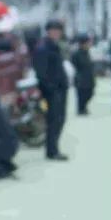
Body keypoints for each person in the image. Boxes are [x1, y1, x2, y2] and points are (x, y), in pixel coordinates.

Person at [33, 20, 69, 161]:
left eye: (59, 30)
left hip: (60, 89)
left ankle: (54, 149)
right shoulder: (43, 47)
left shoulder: (54, 46)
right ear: (48, 31)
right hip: (52, 91)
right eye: (54, 30)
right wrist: (51, 89)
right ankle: (52, 151)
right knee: (54, 120)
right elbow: (41, 72)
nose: (57, 33)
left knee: (60, 119)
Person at [71, 34, 96, 116]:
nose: (89, 44)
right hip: (80, 77)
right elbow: (74, 65)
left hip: (89, 76)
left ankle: (83, 107)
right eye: (87, 43)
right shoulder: (76, 54)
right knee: (81, 94)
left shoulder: (88, 52)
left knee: (90, 93)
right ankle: (81, 109)